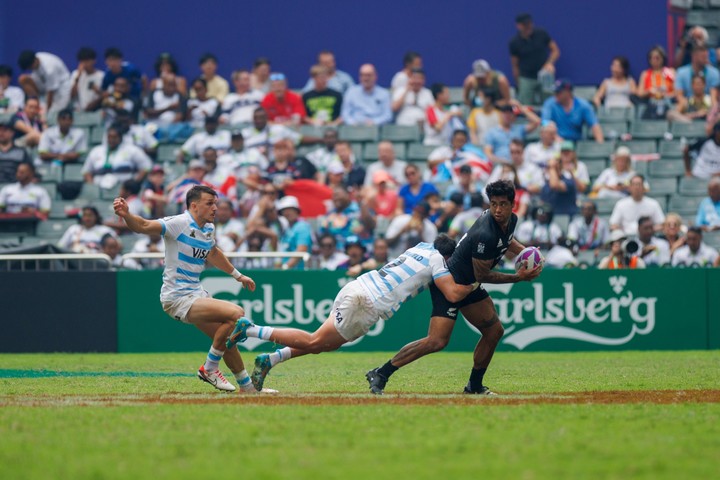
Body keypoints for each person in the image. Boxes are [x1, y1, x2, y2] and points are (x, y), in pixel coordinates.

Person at [225, 234, 476, 391]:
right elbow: (452, 294)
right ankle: (251, 329)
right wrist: (474, 282)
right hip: (367, 302)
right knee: (315, 341)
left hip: (359, 286)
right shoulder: (438, 260)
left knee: (326, 342)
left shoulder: (420, 247)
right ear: (447, 256)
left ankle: (271, 359)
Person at [367, 180, 541, 395]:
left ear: (512, 205)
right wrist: (518, 277)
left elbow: (506, 240)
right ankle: (381, 373)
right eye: (493, 204)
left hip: (469, 284)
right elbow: (482, 275)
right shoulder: (485, 235)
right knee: (436, 341)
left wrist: (526, 253)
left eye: (502, 204)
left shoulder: (510, 221)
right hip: (450, 284)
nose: (497, 209)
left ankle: (474, 386)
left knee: (494, 332)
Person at [113, 185, 260, 393]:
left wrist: (238, 275)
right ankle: (209, 368)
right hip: (177, 298)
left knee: (226, 340)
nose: (215, 208)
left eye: (215, 203)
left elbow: (213, 253)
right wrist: (127, 214)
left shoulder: (208, 228)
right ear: (194, 205)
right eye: (209, 203)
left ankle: (247, 388)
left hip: (195, 294)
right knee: (236, 315)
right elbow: (143, 226)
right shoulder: (178, 223)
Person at [509, 13, 560, 106]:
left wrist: (549, 63)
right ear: (518, 26)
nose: (528, 27)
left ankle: (548, 120)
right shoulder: (514, 42)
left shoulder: (541, 34)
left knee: (550, 103)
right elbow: (515, 65)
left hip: (545, 74)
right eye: (524, 25)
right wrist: (518, 83)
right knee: (524, 105)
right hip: (526, 77)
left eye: (529, 24)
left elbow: (555, 50)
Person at [82, 125, 152, 189]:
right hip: (99, 187)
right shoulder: (96, 151)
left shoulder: (132, 150)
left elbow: (146, 166)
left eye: (115, 137)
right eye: (109, 137)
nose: (112, 140)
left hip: (124, 189)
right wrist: (93, 187)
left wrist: (133, 184)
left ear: (121, 138)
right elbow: (86, 171)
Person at [17, 50, 72, 117]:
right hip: (44, 84)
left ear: (35, 61)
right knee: (23, 79)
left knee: (52, 114)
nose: (30, 69)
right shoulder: (37, 57)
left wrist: (47, 110)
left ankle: (44, 109)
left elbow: (51, 91)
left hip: (61, 89)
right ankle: (37, 103)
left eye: (30, 67)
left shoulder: (50, 69)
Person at [637, 46, 676, 120]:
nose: (655, 60)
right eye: (652, 58)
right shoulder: (645, 74)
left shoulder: (669, 72)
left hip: (667, 102)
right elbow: (639, 93)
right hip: (651, 103)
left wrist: (666, 95)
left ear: (663, 58)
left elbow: (677, 92)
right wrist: (649, 91)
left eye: (657, 58)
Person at [276, 195, 313, 270]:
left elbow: (301, 250)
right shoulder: (287, 228)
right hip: (287, 272)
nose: (287, 213)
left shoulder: (302, 226)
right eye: (284, 210)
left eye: (290, 209)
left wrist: (285, 267)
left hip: (297, 273)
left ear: (296, 210)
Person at [424, 82, 463, 146]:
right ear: (439, 95)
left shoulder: (447, 110)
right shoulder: (430, 110)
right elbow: (438, 127)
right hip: (432, 144)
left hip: (445, 144)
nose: (448, 96)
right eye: (446, 94)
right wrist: (448, 115)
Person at [70, 47, 104, 112]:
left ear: (94, 61)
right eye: (82, 61)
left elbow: (104, 96)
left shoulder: (101, 76)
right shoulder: (75, 74)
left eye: (87, 61)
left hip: (96, 110)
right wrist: (78, 77)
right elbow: (71, 96)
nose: (85, 64)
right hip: (78, 111)